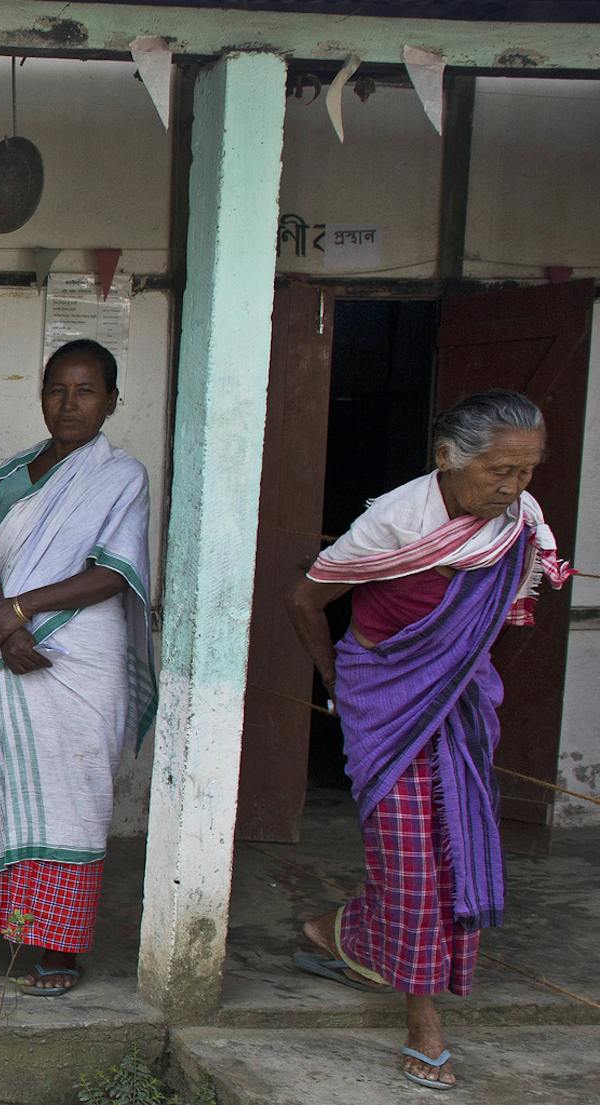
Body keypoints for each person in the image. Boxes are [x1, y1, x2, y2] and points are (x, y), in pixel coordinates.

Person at [288, 390, 564, 1091]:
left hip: (459, 696)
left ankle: (339, 930)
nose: (511, 487)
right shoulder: (395, 519)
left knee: (453, 847)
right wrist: (335, 680)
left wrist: (459, 664)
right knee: (411, 864)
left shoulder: (519, 519)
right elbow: (307, 598)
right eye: (499, 470)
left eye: (526, 471)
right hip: (384, 694)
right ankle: (424, 1023)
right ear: (448, 458)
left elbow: (511, 602)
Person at [0, 338, 155, 997]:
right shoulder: (12, 473)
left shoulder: (121, 476)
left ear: (111, 400)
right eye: (56, 388)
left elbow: (113, 572)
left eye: (85, 390)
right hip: (7, 647)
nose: (68, 402)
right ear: (41, 394)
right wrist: (1, 618)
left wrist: (20, 610)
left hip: (76, 657)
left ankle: (55, 946)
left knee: (70, 800)